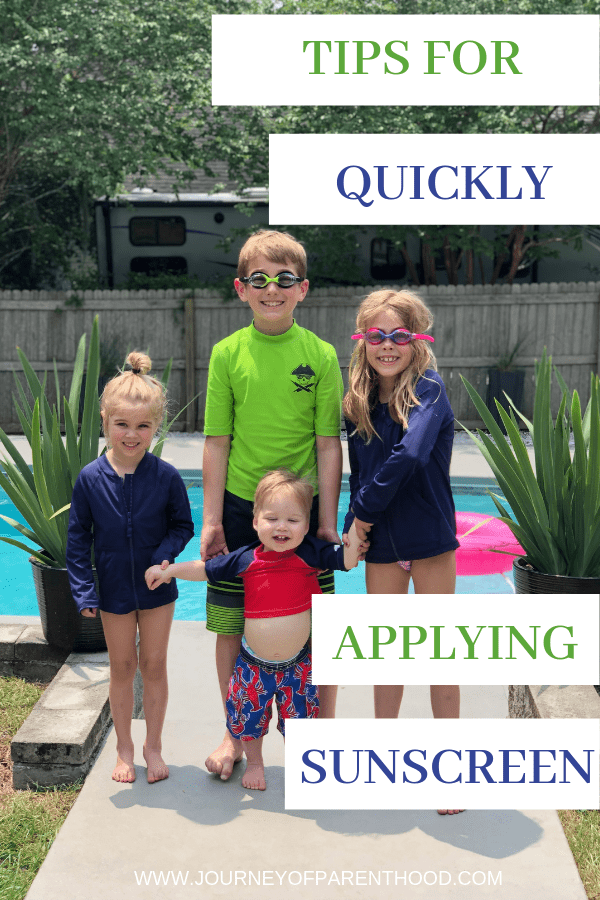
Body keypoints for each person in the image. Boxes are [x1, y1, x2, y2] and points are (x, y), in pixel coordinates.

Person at [201, 230, 344, 781]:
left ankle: (319, 740)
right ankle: (237, 735)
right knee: (230, 623)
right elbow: (216, 440)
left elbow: (328, 443)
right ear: (241, 288)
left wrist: (328, 521)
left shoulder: (321, 355)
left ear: (302, 289)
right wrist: (213, 519)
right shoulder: (227, 354)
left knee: (319, 624)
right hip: (241, 510)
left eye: (284, 279)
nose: (271, 289)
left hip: (302, 515)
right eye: (259, 279)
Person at [146, 469, 364, 791]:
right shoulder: (245, 559)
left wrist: (355, 530)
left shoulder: (310, 554)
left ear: (306, 525)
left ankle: (305, 766)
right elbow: (205, 570)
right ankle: (256, 763)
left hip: (299, 665)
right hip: (254, 665)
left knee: (302, 719)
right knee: (249, 718)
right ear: (255, 522)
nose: (281, 527)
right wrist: (170, 572)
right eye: (272, 518)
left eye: (293, 520)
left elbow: (346, 561)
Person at [342, 289, 463, 816]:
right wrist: (354, 525)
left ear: (418, 341)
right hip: (384, 545)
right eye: (376, 336)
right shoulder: (358, 401)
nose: (387, 346)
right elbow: (362, 472)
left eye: (399, 336)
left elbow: (407, 458)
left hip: (430, 539)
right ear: (362, 341)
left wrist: (361, 516)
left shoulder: (430, 391)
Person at [66, 352, 194, 785]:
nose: (132, 435)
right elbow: (78, 540)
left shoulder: (167, 476)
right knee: (122, 667)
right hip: (114, 591)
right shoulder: (89, 478)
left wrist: (165, 556)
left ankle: (152, 746)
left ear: (156, 426)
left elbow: (183, 524)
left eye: (143, 426)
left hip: (157, 589)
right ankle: (124, 748)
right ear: (105, 421)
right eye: (122, 424)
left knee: (153, 665)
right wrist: (84, 592)